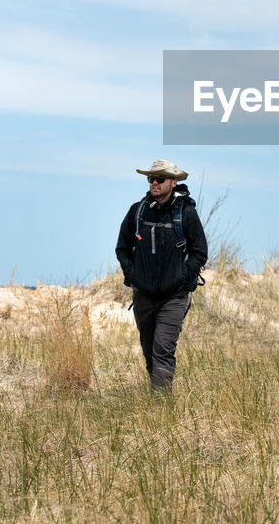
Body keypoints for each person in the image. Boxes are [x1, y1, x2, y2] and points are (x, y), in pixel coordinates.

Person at [115, 159, 208, 391]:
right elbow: (122, 248)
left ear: (173, 182)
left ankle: (161, 406)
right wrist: (133, 274)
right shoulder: (138, 211)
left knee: (163, 348)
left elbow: (199, 252)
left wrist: (182, 276)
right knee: (149, 351)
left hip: (174, 296)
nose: (154, 183)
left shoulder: (185, 213)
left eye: (160, 179)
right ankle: (156, 394)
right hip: (143, 295)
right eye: (151, 179)